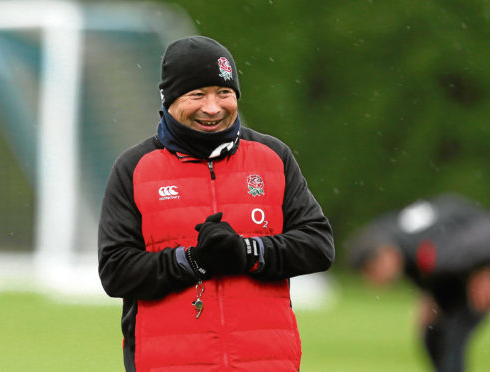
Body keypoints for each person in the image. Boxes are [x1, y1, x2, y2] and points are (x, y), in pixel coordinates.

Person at [98, 35, 335, 371]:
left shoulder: (273, 157)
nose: (213, 108)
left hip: (266, 363)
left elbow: (318, 246)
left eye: (224, 93)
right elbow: (116, 271)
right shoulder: (134, 167)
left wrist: (248, 252)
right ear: (168, 99)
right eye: (197, 95)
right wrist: (192, 260)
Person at [347, 193, 490, 372]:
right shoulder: (392, 236)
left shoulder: (428, 250)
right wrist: (431, 295)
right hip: (457, 277)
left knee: (453, 336)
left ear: (384, 255)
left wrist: (485, 269)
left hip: (477, 267)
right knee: (432, 332)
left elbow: (481, 232)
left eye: (372, 271)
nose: (375, 282)